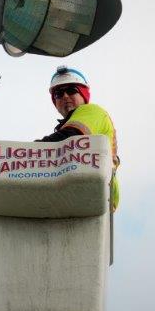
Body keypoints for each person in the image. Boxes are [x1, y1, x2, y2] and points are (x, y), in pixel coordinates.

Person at [37, 66, 120, 210]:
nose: (65, 96)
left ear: (83, 94)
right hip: (82, 194)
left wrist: (26, 151)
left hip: (99, 194)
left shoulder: (92, 111)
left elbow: (70, 137)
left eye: (71, 90)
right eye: (58, 94)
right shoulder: (65, 126)